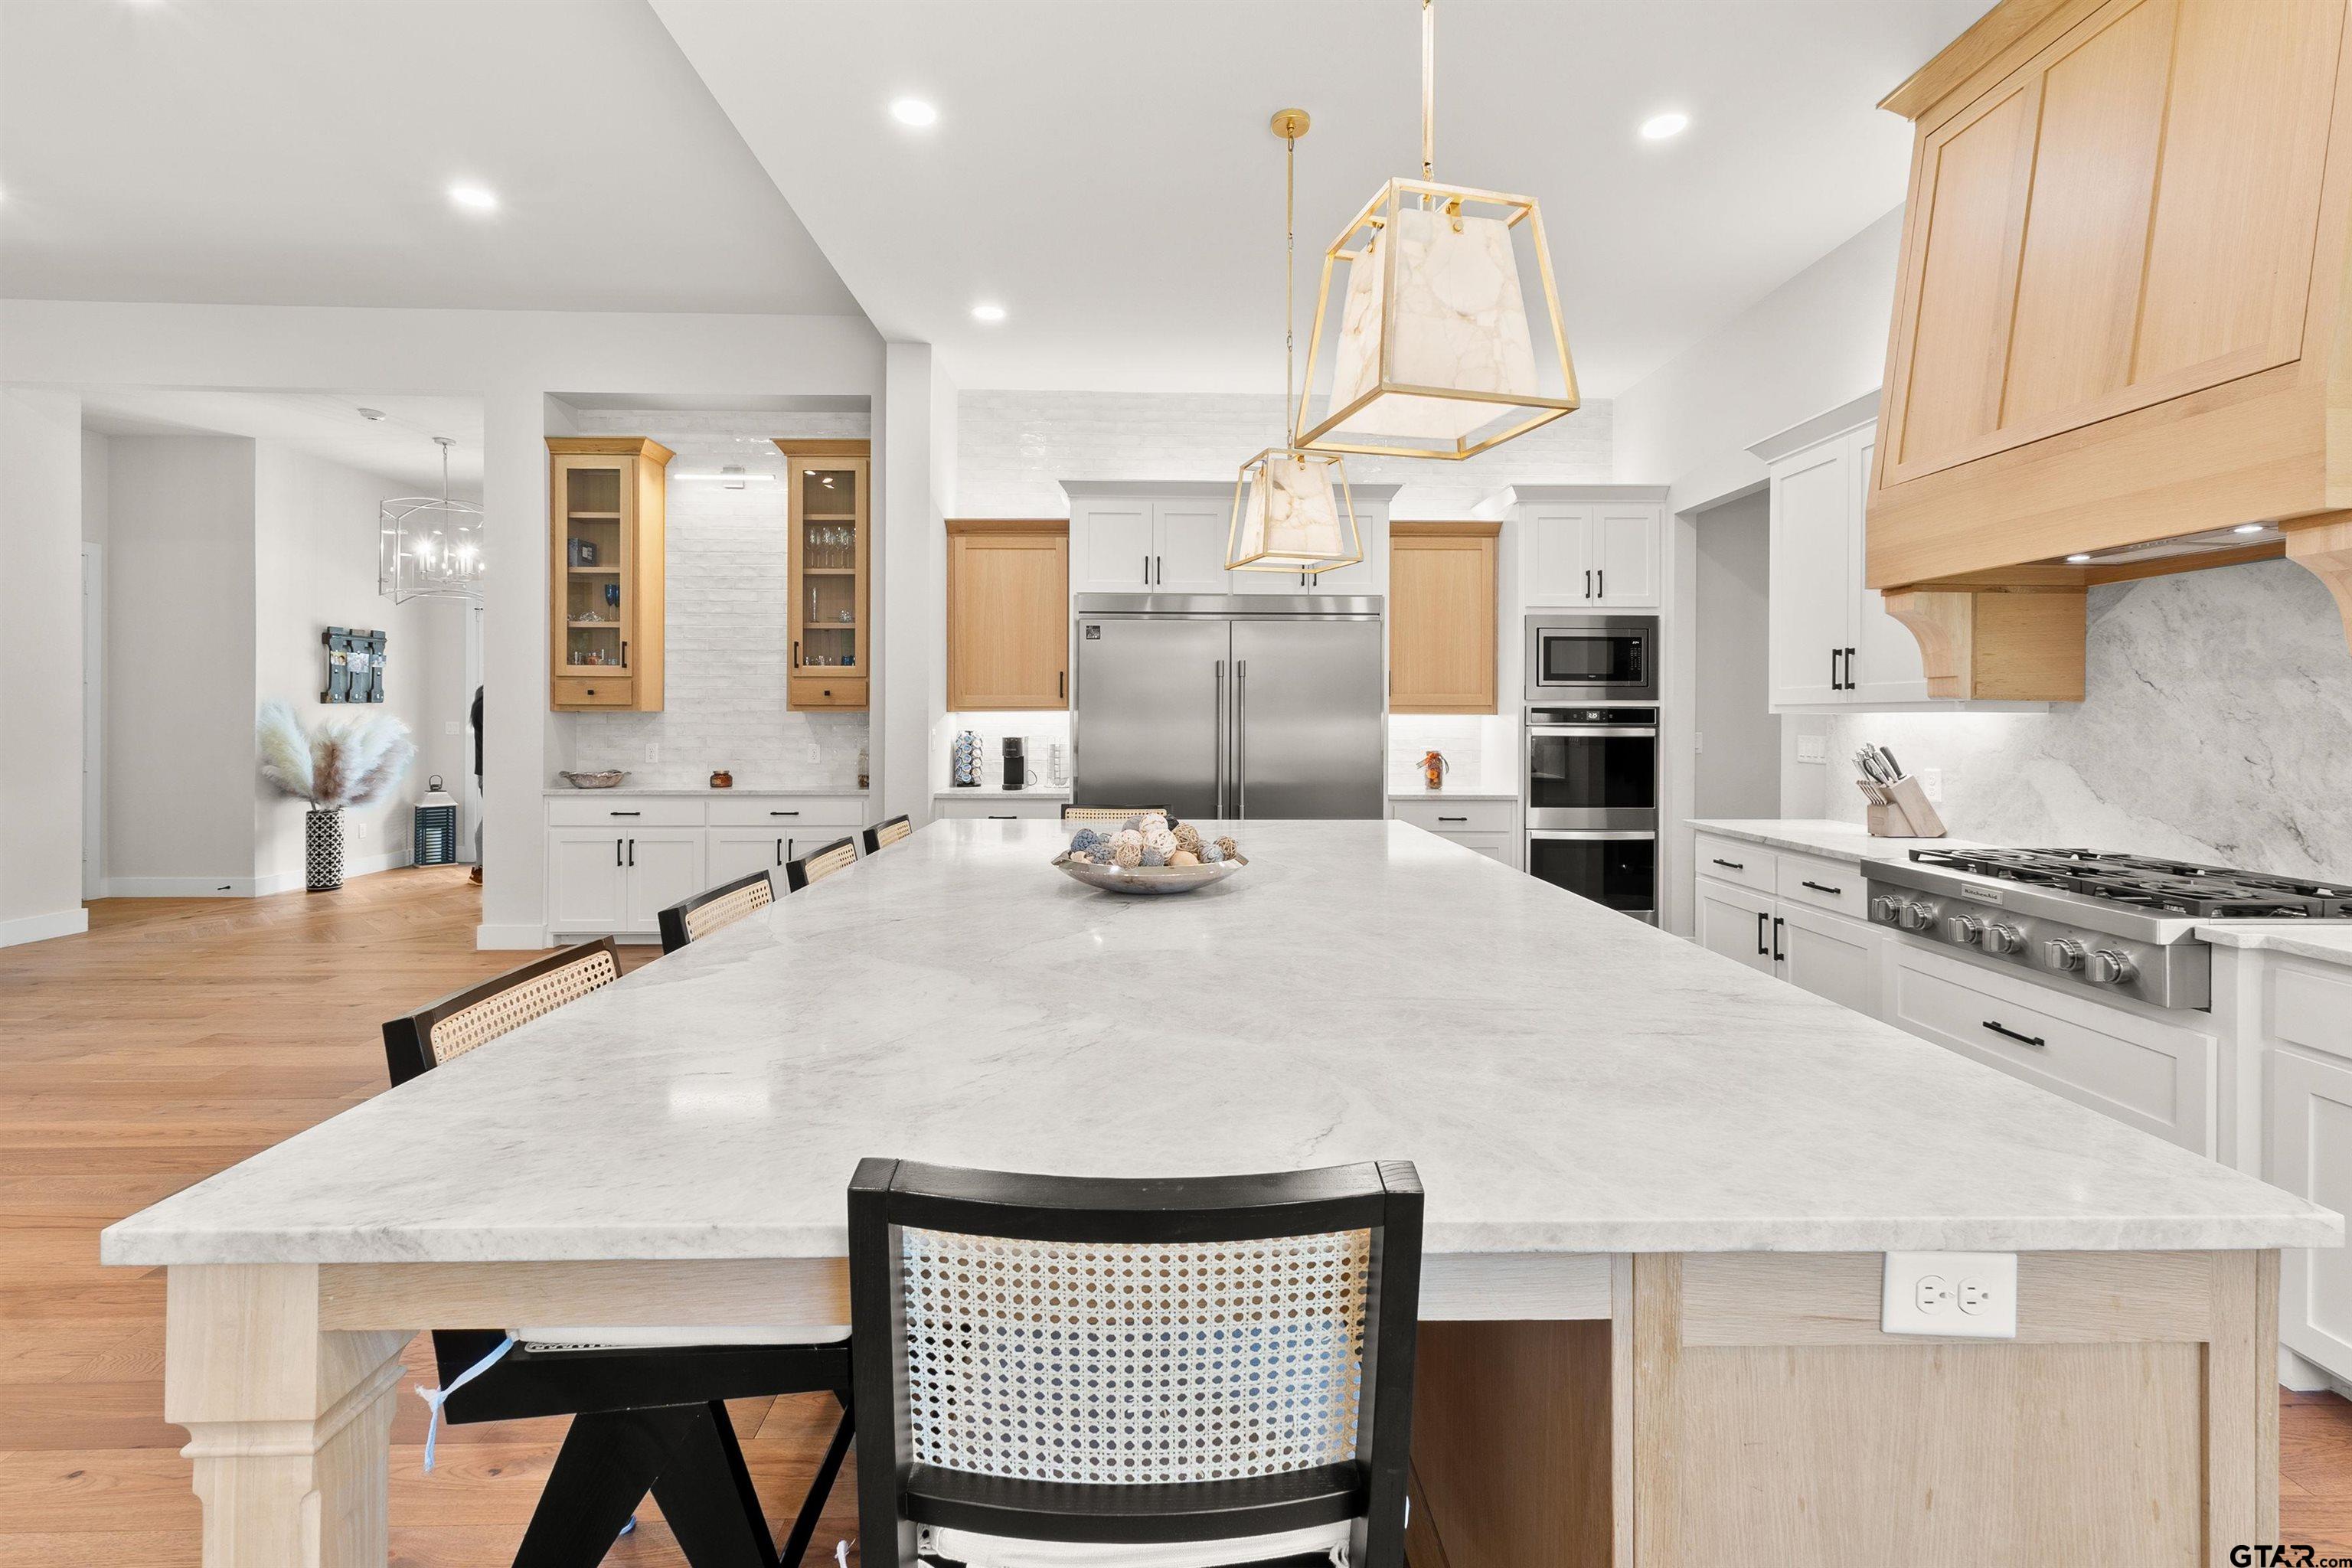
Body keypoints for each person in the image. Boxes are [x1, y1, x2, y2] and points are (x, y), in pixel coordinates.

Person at [468, 684, 483, 886]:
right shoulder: (483, 706)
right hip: (490, 772)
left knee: (492, 817)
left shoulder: (482, 704)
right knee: (492, 818)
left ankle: (481, 868)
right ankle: (480, 868)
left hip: (488, 772)